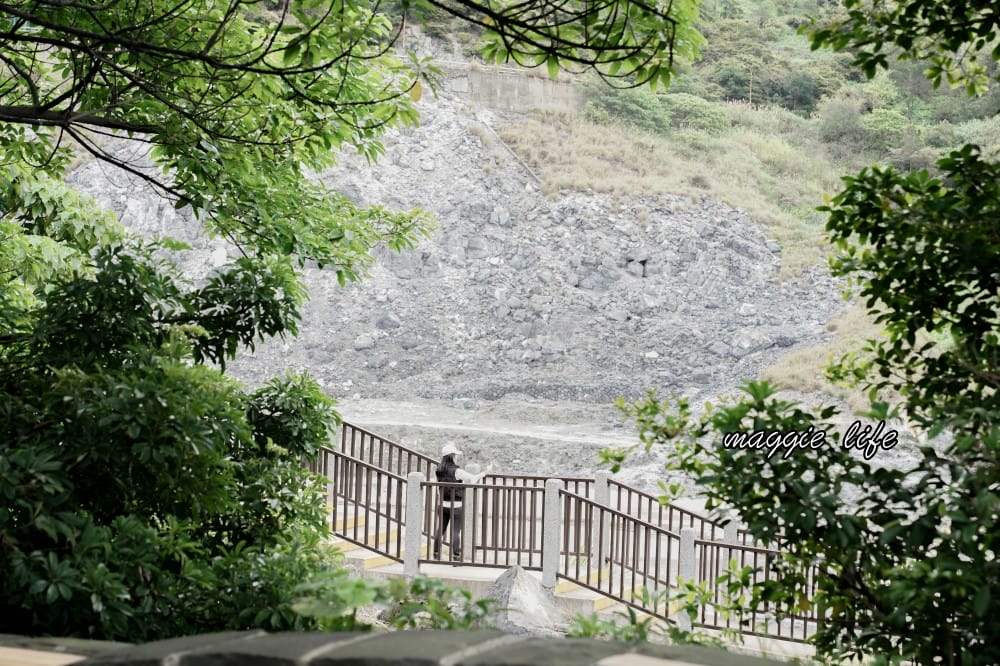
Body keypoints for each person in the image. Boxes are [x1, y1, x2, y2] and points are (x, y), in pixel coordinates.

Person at [432, 442, 488, 561]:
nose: (457, 457)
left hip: (442, 504)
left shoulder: (438, 470)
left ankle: (436, 553)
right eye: (455, 455)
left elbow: (438, 488)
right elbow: (472, 479)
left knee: (440, 529)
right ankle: (456, 554)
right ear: (451, 456)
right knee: (456, 531)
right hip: (456, 505)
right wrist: (485, 473)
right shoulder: (457, 471)